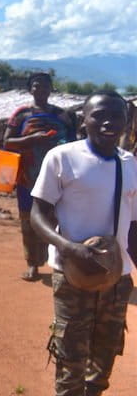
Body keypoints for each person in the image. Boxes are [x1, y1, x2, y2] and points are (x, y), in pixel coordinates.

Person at [30, 90, 136, 396]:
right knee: (71, 358)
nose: (108, 122)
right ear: (83, 121)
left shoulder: (130, 165)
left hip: (117, 279)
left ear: (126, 122)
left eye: (116, 115)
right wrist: (69, 247)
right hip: (73, 275)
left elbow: (134, 227)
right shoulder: (63, 158)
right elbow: (39, 214)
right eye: (99, 115)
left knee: (105, 356)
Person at [4, 73, 76, 282]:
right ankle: (32, 264)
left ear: (51, 89)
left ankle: (58, 263)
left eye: (46, 86)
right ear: (30, 90)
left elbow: (74, 145)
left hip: (58, 177)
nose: (41, 90)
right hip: (28, 177)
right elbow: (7, 142)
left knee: (56, 220)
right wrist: (32, 139)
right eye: (37, 86)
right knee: (28, 221)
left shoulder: (64, 116)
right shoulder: (21, 114)